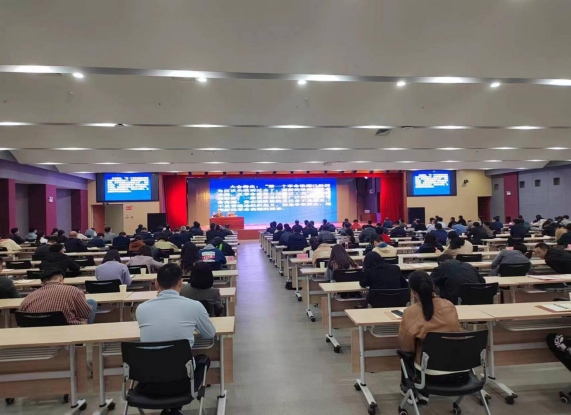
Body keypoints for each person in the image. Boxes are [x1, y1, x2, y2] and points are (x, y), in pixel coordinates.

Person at [135, 264, 216, 409]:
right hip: (182, 382)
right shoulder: (194, 306)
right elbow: (209, 334)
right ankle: (173, 410)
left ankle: (171, 410)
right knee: (203, 359)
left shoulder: (141, 309)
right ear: (181, 283)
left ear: (156, 283)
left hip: (148, 382)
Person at [398, 271, 464, 402]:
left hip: (428, 369)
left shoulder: (410, 312)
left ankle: (411, 390)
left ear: (414, 293)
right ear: (433, 286)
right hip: (457, 365)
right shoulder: (449, 305)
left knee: (405, 355)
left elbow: (407, 346)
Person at [19, 268, 97, 324]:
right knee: (91, 302)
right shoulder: (74, 290)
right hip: (70, 330)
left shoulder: (29, 297)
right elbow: (85, 314)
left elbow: (21, 316)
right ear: (61, 279)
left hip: (36, 332)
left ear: (42, 283)